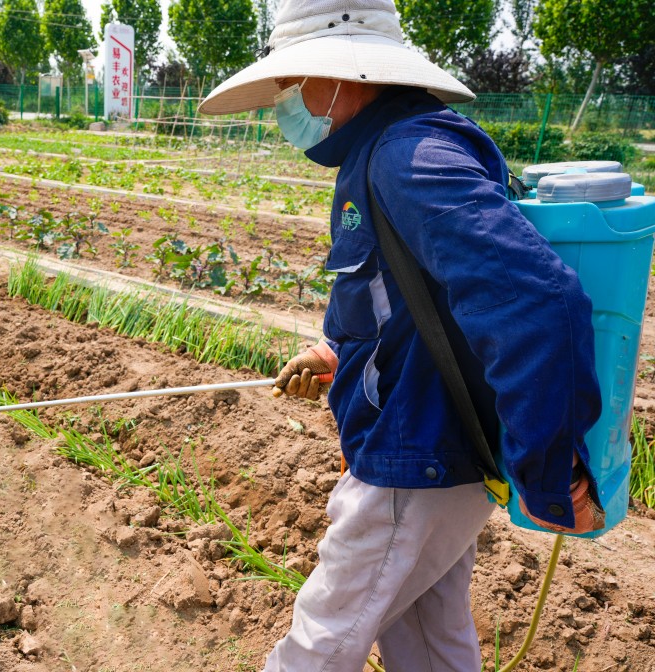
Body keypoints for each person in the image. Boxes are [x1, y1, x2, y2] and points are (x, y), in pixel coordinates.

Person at [199, 1, 605, 670]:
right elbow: (405, 300)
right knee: (427, 637)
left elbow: (537, 299)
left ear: (342, 75)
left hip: (413, 459)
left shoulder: (408, 157)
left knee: (321, 642)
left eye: (293, 81)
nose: (284, 101)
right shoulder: (382, 153)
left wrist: (551, 471)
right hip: (431, 457)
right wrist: (334, 352)